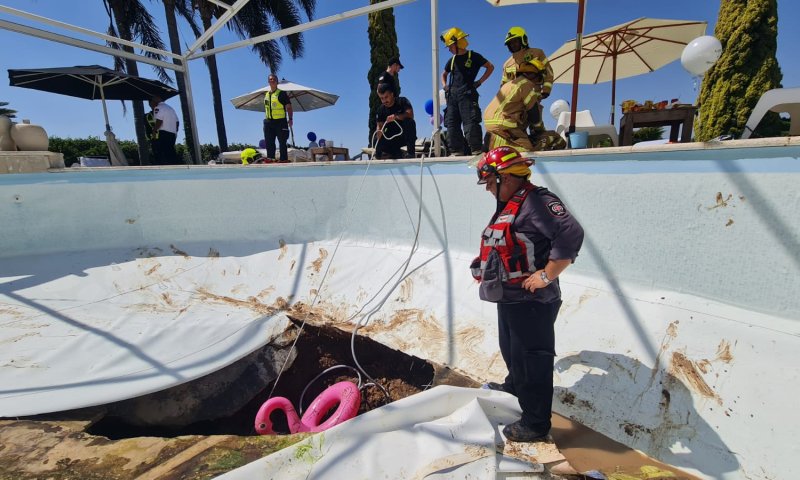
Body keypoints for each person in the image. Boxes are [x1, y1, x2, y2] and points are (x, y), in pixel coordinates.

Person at [471, 146, 584, 442]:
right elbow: (506, 240)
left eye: (490, 183)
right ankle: (515, 387)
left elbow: (571, 233)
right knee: (511, 350)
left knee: (532, 359)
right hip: (508, 297)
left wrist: (546, 275)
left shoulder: (536, 201)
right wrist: (481, 265)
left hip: (532, 300)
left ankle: (535, 422)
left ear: (506, 177)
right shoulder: (511, 202)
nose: (488, 190)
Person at [440, 27, 494, 156]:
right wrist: (445, 86)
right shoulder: (452, 60)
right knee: (452, 125)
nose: (449, 49)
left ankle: (476, 151)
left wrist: (479, 82)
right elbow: (444, 74)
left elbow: (490, 67)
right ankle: (456, 152)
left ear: (458, 43)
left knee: (470, 123)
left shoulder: (474, 56)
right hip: (452, 96)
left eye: (450, 46)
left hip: (467, 95)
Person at [500, 26, 554, 146]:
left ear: (523, 40)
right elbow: (503, 85)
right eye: (510, 43)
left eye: (515, 41)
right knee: (518, 131)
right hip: (516, 104)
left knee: (537, 127)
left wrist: (546, 90)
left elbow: (548, 73)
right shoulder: (507, 64)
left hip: (533, 98)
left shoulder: (537, 53)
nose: (513, 45)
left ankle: (542, 145)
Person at [375, 84, 416, 159]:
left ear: (392, 94)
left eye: (386, 97)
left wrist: (396, 117)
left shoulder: (402, 101)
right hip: (390, 138)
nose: (384, 100)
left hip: (403, 137)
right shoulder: (380, 110)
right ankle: (383, 155)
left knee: (410, 122)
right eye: (381, 98)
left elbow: (410, 115)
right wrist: (379, 131)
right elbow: (379, 126)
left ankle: (411, 154)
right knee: (377, 135)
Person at [263, 73, 293, 163]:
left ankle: (283, 159)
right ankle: (270, 158)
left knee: (282, 142)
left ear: (277, 82)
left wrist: (290, 119)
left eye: (274, 79)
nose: (272, 81)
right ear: (268, 81)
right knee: (269, 142)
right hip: (268, 122)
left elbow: (289, 107)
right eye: (270, 79)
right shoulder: (266, 95)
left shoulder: (282, 93)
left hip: (280, 122)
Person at [148, 96, 180, 165]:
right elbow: (177, 122)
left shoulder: (158, 108)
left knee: (162, 153)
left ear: (154, 100)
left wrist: (154, 131)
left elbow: (159, 121)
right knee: (171, 151)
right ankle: (175, 166)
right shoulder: (171, 108)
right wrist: (175, 130)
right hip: (172, 133)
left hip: (163, 133)